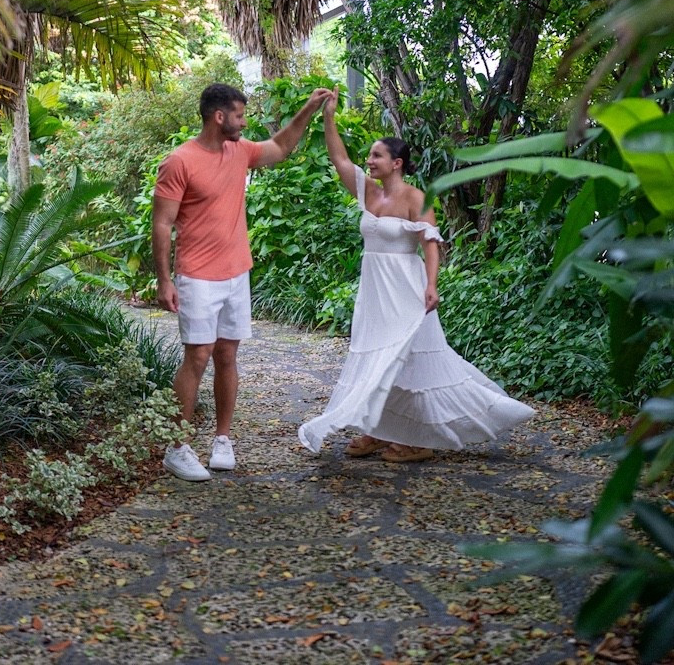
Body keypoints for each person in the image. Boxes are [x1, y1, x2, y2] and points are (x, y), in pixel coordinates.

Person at [298, 86, 534, 462]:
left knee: (413, 361)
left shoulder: (416, 198)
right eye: (370, 155)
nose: (369, 160)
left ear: (397, 163)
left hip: (405, 288)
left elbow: (430, 244)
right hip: (375, 290)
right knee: (376, 356)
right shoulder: (369, 194)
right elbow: (339, 159)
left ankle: (420, 439)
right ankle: (376, 429)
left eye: (377, 155)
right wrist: (328, 116)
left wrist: (431, 285)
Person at [154, 81, 332, 481]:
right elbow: (162, 224)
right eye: (239, 115)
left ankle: (222, 440)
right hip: (197, 276)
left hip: (236, 273)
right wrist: (164, 280)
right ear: (220, 117)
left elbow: (281, 147)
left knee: (227, 356)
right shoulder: (179, 161)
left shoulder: (240, 151)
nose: (244, 121)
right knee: (197, 357)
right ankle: (177, 448)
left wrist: (310, 108)